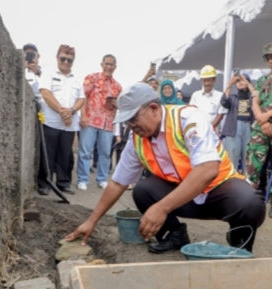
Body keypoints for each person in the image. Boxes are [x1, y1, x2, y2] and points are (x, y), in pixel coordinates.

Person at [66, 82, 265, 253]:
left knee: (250, 203)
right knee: (143, 191)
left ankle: (239, 245)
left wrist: (161, 207)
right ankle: (175, 235)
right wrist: (91, 221)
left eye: (134, 120)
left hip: (218, 192)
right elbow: (118, 183)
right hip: (184, 195)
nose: (131, 127)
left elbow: (207, 170)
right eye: (127, 123)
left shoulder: (188, 119)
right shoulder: (137, 139)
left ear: (153, 108)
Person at [38, 44, 85, 195]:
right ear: (57, 58)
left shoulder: (77, 80)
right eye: (63, 58)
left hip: (69, 125)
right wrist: (61, 111)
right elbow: (46, 94)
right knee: (48, 154)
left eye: (69, 60)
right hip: (51, 122)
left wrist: (71, 111)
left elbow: (81, 99)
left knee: (66, 155)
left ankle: (63, 183)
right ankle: (45, 183)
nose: (66, 62)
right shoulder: (48, 75)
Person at [77, 54, 122, 191]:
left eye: (111, 64)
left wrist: (116, 104)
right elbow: (82, 97)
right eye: (107, 63)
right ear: (102, 64)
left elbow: (121, 105)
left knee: (105, 153)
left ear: (115, 67)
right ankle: (82, 179)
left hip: (107, 124)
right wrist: (83, 115)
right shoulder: (92, 78)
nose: (109, 66)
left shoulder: (117, 86)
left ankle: (102, 179)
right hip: (89, 120)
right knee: (85, 151)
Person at [246, 43, 272, 191]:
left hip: (266, 120)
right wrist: (261, 119)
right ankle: (251, 199)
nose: (270, 60)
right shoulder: (263, 80)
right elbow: (255, 100)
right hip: (261, 127)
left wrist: (267, 116)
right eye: (268, 58)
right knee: (253, 163)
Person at [220, 72, 254, 175]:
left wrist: (248, 84)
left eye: (242, 80)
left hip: (249, 127)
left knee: (248, 158)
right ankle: (231, 182)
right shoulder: (233, 96)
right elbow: (224, 102)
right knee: (232, 157)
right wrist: (229, 85)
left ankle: (247, 182)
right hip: (234, 128)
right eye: (237, 81)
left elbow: (258, 99)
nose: (239, 83)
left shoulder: (252, 97)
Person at [190, 65, 227, 134]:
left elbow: (220, 114)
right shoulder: (196, 95)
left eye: (209, 80)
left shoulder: (220, 96)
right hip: (197, 133)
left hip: (213, 134)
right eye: (205, 80)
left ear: (214, 80)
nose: (207, 83)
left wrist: (209, 129)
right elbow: (191, 113)